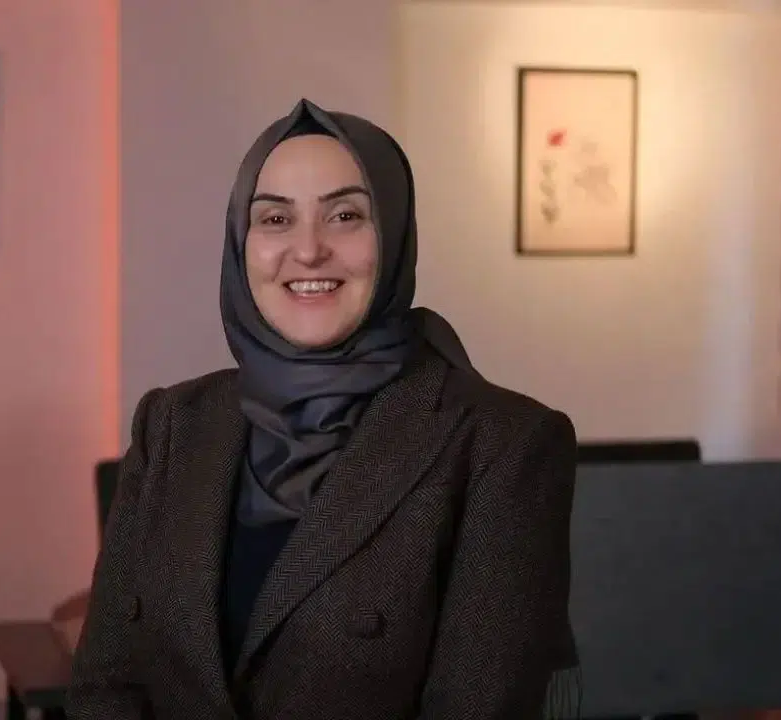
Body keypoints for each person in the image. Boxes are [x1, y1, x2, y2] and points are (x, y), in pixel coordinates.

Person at [67, 99, 579, 720]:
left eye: (345, 215)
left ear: (394, 235)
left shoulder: (503, 444)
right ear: (241, 243)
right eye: (276, 218)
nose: (308, 250)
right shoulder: (174, 424)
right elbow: (105, 684)